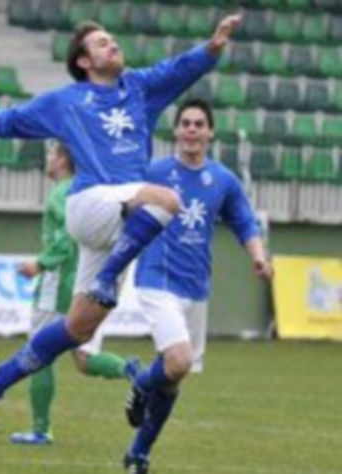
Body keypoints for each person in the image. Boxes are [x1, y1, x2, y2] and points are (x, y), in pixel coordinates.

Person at [0, 15, 244, 429]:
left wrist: (213, 47)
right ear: (83, 62)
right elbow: (17, 120)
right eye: (101, 43)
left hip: (119, 222)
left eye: (112, 40)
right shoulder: (66, 101)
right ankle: (107, 276)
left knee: (78, 329)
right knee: (167, 199)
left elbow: (179, 69)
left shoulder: (139, 89)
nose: (112, 45)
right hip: (90, 205)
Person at [117, 98, 272, 473]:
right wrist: (129, 205)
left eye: (198, 124)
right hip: (157, 279)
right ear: (177, 131)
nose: (191, 129)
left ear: (210, 132)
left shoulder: (222, 179)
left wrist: (258, 255)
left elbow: (244, 222)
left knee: (174, 377)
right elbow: (122, 205)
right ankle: (139, 381)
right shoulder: (155, 171)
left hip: (196, 287)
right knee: (179, 360)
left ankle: (138, 454)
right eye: (185, 123)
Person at [11, 141, 138, 446]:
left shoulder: (60, 193)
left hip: (57, 286)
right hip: (88, 287)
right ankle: (131, 371)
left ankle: (41, 430)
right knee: (83, 358)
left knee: (37, 353)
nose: (48, 159)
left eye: (52, 154)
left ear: (63, 161)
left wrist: (38, 263)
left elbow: (66, 240)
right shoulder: (87, 193)